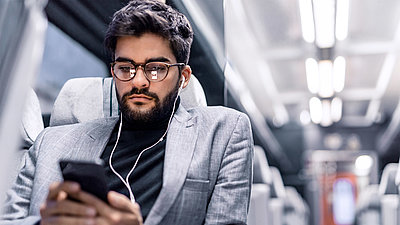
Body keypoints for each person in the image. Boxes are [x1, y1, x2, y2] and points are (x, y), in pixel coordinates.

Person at [0, 0, 254, 224]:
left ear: (184, 77)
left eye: (156, 69)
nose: (138, 81)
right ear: (114, 72)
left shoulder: (224, 133)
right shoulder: (50, 143)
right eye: (125, 68)